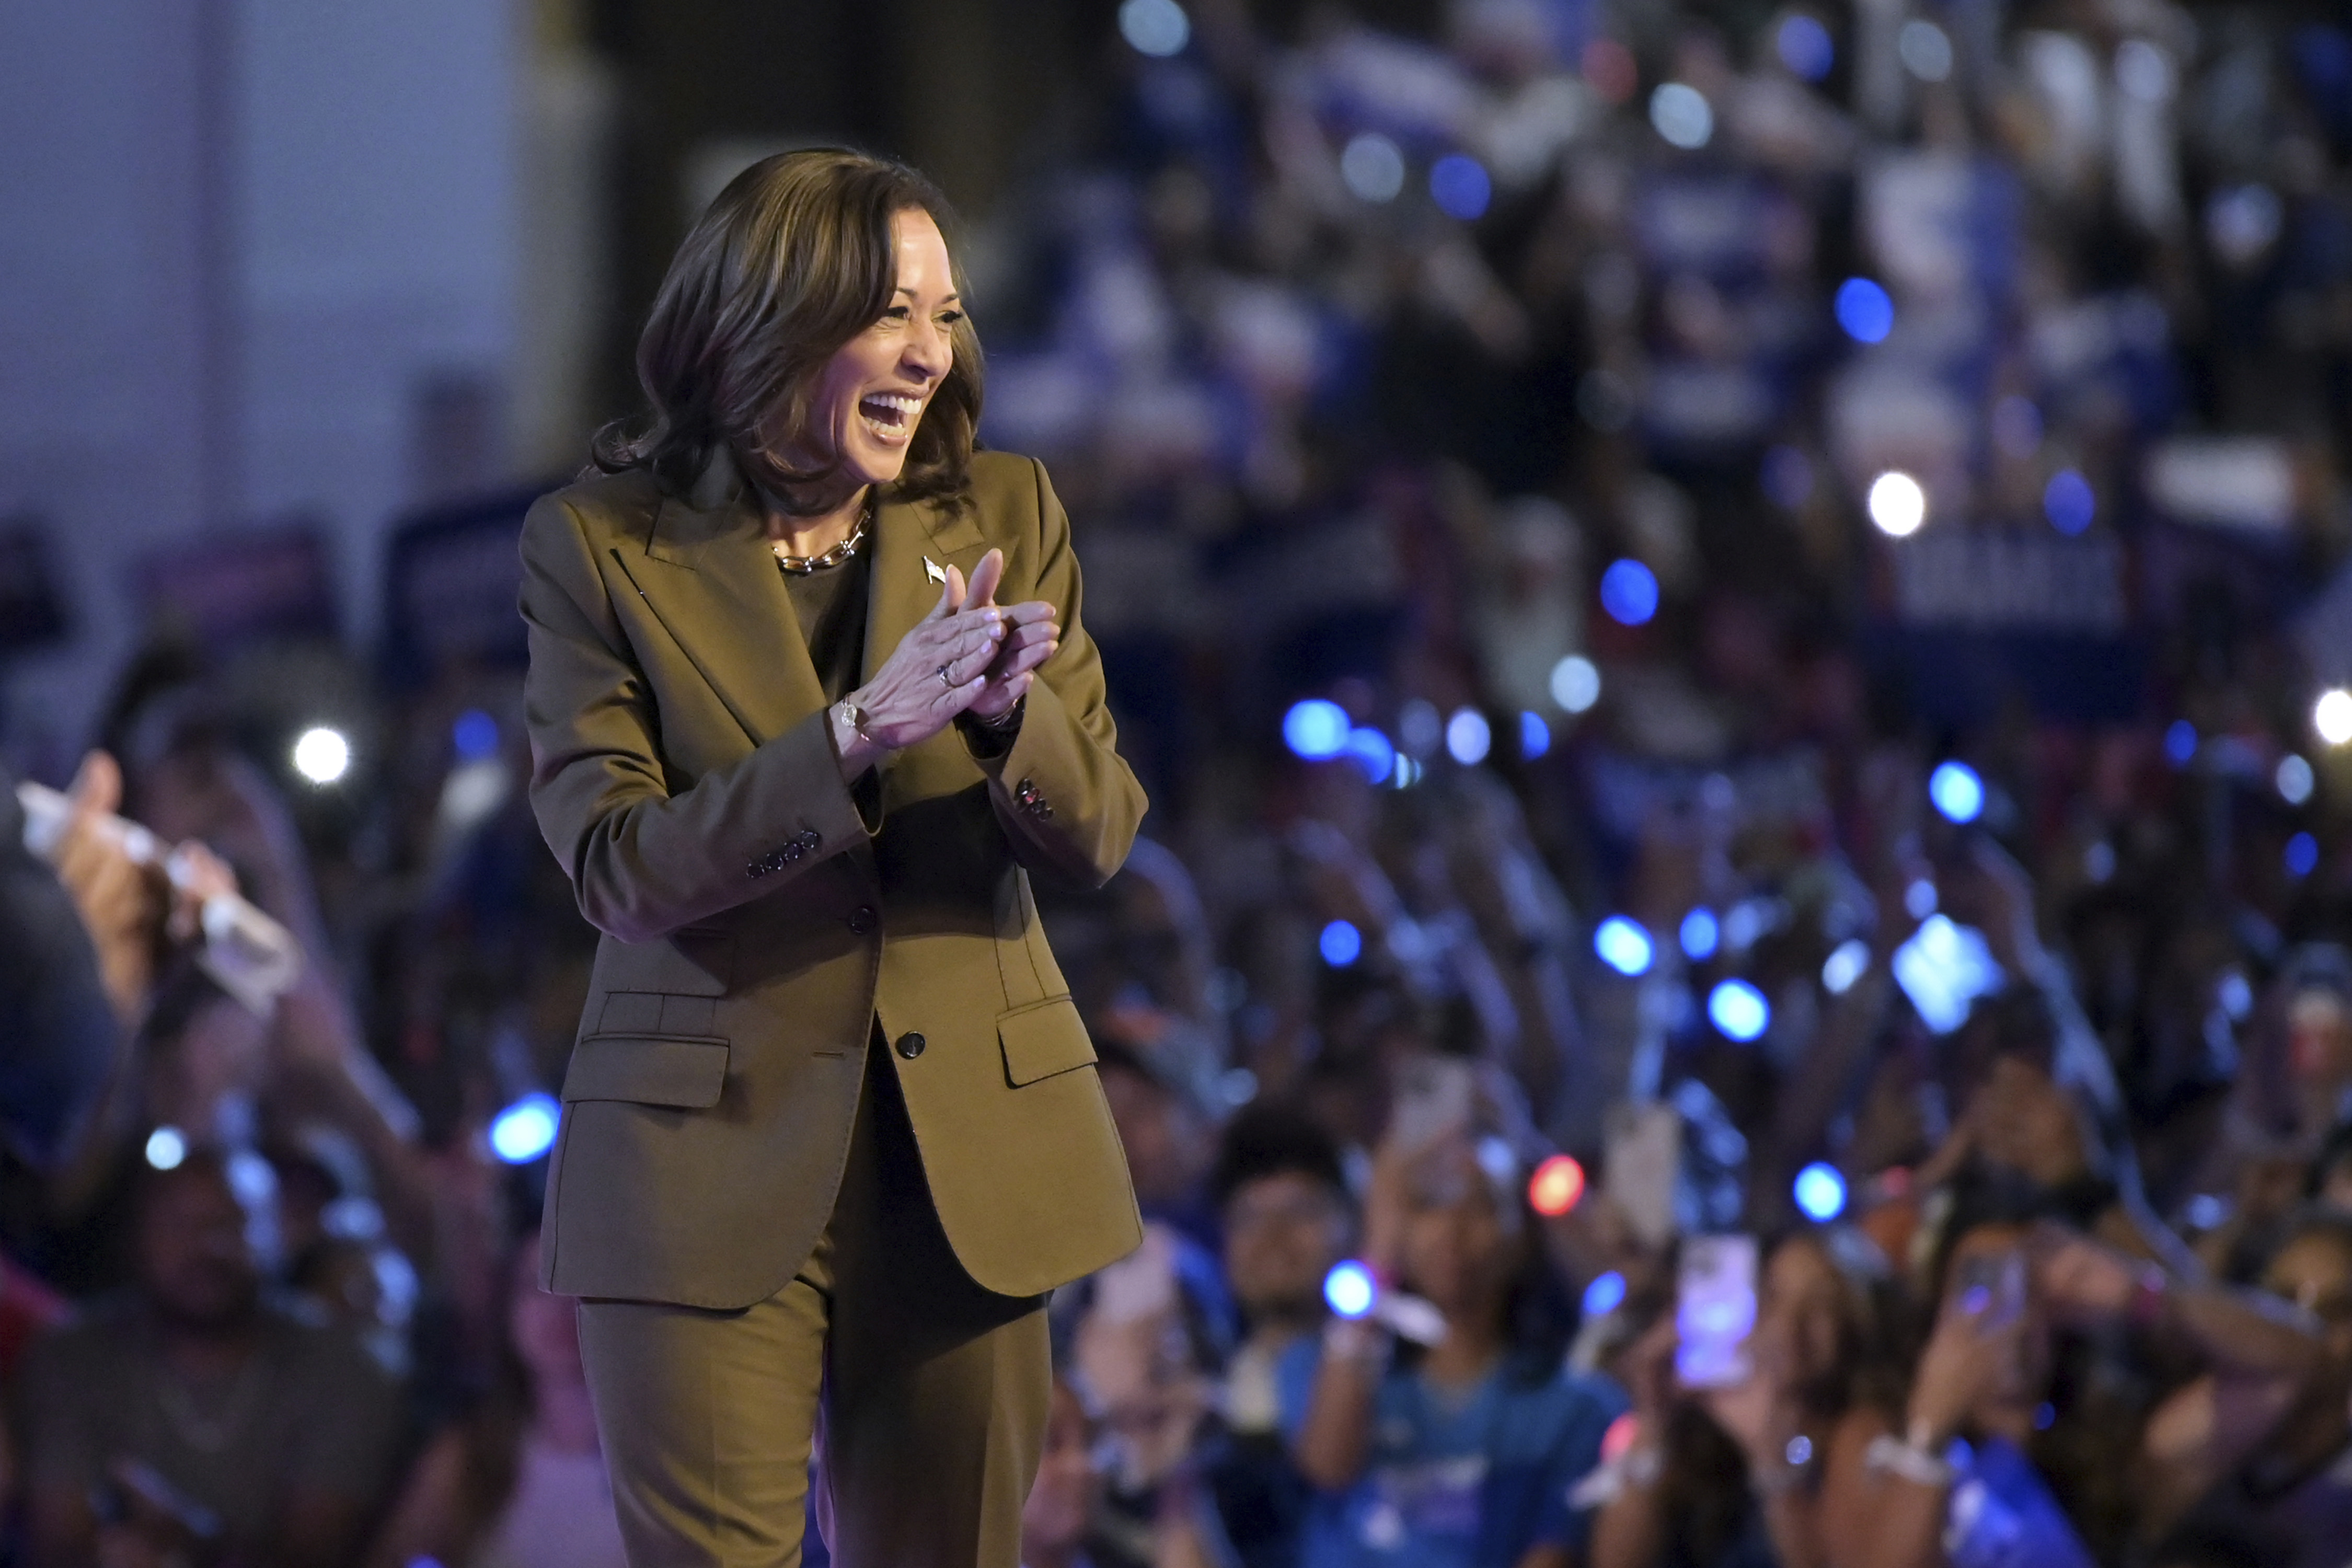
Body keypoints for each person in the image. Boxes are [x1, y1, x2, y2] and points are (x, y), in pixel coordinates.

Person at [517, 147, 1147, 1567]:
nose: (928, 356)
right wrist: (858, 731)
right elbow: (618, 868)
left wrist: (1004, 717)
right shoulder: (599, 549)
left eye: (946, 316)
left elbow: (1100, 829)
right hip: (699, 1155)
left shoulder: (1005, 516)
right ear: (769, 319)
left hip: (972, 1164)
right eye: (889, 315)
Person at [11, 1147, 407, 1568]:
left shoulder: (346, 1371)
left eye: (231, 1224)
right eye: (180, 1225)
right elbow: (59, 1546)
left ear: (277, 1233)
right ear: (137, 1235)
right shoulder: (73, 1356)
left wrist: (188, 1541)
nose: (206, 1247)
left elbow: (314, 1557)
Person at [1285, 1127, 1624, 1568]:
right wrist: (1379, 1254)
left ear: (1521, 1236)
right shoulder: (1320, 1367)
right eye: (1429, 1203)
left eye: (1481, 1204)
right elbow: (1329, 1469)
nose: (1451, 1228)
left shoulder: (1575, 1409)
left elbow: (1550, 1553)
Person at [1585, 1227, 1909, 1568]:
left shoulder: (1860, 1434)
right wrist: (1653, 1419)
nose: (1790, 1325)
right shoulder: (1698, 1431)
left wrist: (1769, 1459)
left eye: (1821, 1306)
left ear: (1853, 1321)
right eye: (1773, 1298)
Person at [364, 1236, 624, 1568]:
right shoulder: (472, 1453)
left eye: (580, 1287)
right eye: (536, 1286)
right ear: (509, 1309)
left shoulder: (668, 1461)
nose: (558, 1305)